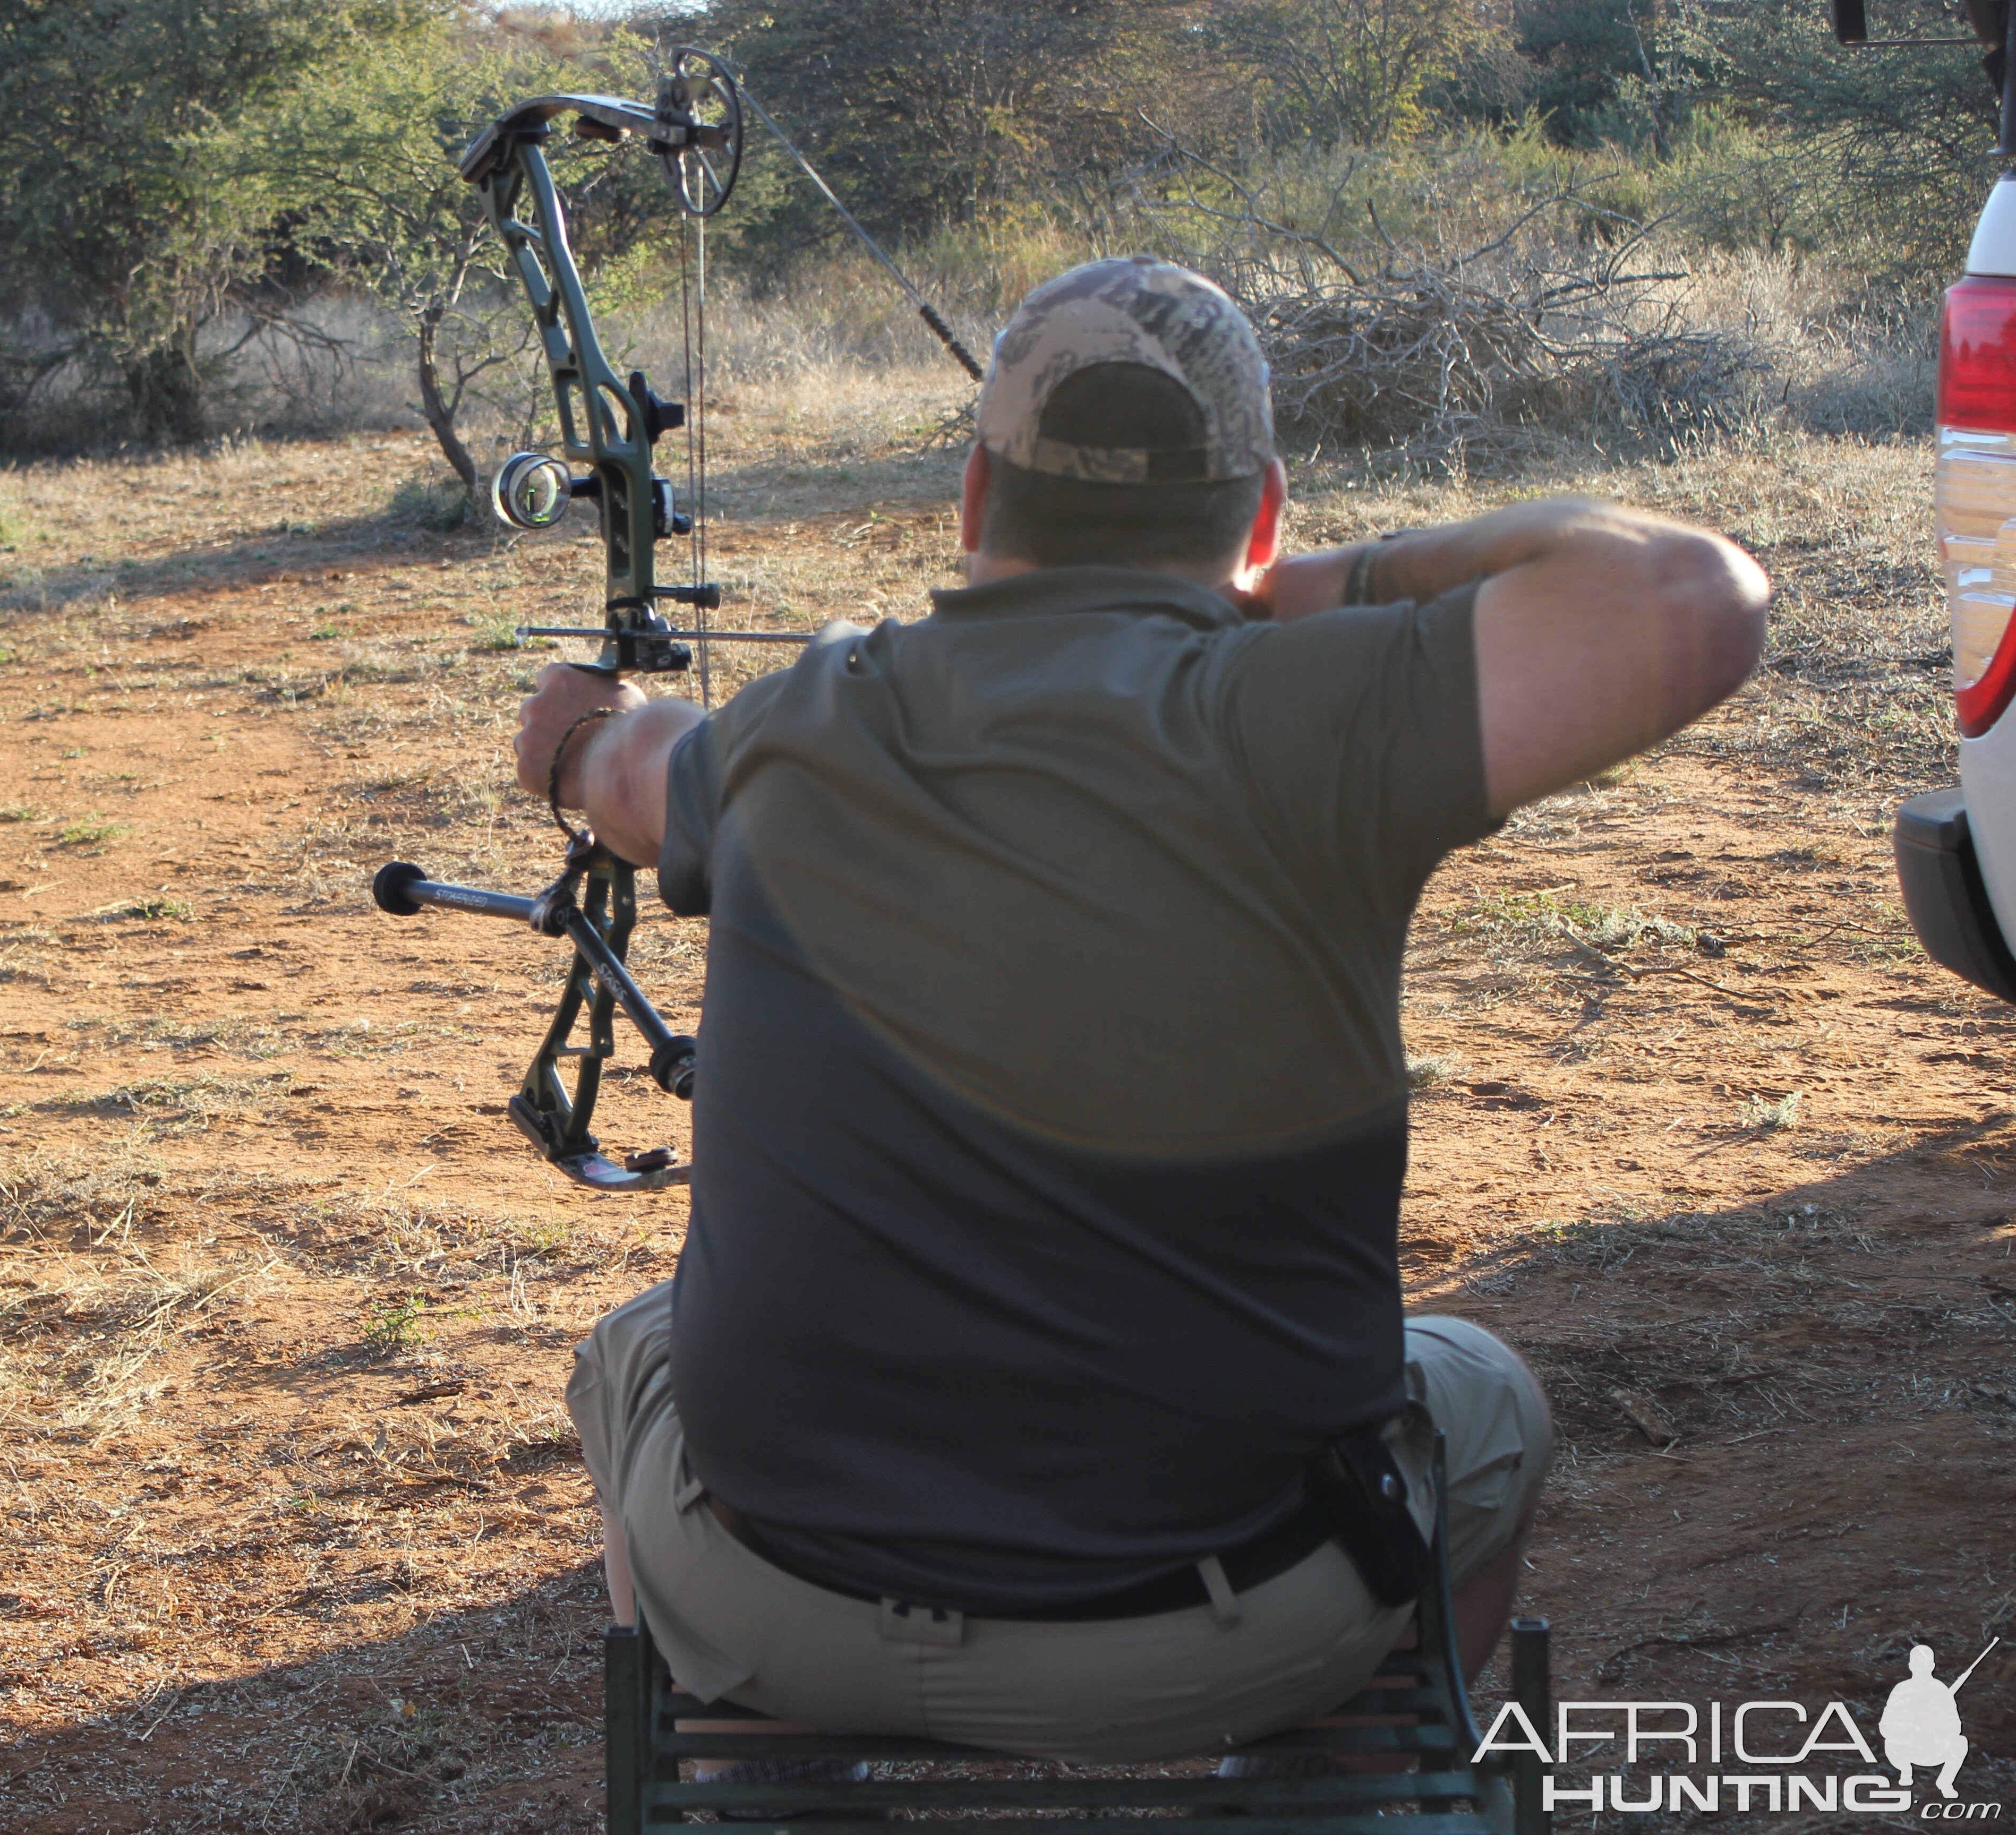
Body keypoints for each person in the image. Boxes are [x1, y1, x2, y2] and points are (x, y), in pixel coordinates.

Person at [512, 256, 1769, 1763]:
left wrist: (573, 740)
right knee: (1485, 1394)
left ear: (975, 502)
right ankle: (1364, 1769)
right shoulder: (1319, 710)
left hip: (783, 1614)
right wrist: (1309, 589)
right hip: (1226, 1638)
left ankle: (725, 1755)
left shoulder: (799, 720)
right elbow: (1690, 594)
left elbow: (641, 769)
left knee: (632, 1351)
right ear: (1262, 513)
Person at [1881, 1645, 1972, 1798]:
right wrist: (1909, 1727)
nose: (1921, 1668)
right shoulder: (1901, 1690)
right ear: (1910, 1666)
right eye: (1917, 1664)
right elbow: (1886, 1725)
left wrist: (1936, 1724)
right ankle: (1905, 1770)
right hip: (1907, 1748)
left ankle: (1945, 1782)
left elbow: (1956, 1727)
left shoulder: (1941, 1690)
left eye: (1924, 1664)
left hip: (1934, 1749)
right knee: (1890, 1742)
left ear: (1932, 1666)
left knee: (1961, 1743)